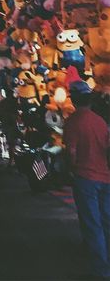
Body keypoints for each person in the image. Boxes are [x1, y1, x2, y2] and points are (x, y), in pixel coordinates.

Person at [63, 81, 110, 279]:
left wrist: (70, 168)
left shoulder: (73, 122)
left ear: (73, 99)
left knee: (92, 224)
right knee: (106, 221)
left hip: (85, 177)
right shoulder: (100, 121)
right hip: (105, 178)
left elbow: (71, 152)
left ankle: (100, 270)